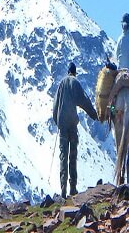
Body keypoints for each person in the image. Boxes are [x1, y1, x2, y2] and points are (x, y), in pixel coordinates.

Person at [52, 62, 98, 198]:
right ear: (75, 72)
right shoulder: (75, 82)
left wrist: (58, 121)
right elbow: (84, 100)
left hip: (63, 124)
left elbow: (55, 105)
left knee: (63, 156)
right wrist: (93, 114)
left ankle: (63, 189)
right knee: (73, 155)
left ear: (67, 71)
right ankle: (73, 187)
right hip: (72, 123)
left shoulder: (61, 84)